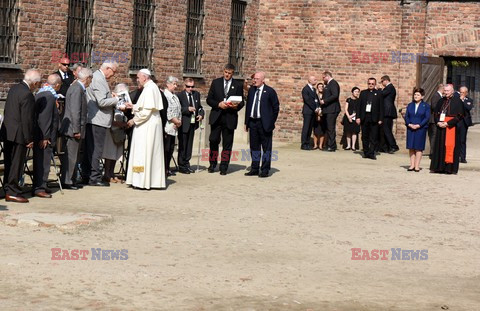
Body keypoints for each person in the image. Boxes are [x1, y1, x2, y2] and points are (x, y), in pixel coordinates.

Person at [83, 61, 130, 186]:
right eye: (114, 71)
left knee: (93, 149)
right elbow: (102, 102)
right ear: (108, 68)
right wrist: (116, 99)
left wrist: (111, 95)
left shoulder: (99, 78)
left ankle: (89, 176)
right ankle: (94, 178)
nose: (113, 75)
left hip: (98, 119)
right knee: (96, 150)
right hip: (98, 120)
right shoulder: (98, 79)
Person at [1, 69, 41, 203]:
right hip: (19, 135)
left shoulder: (14, 89)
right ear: (34, 83)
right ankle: (12, 191)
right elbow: (27, 119)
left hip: (8, 132)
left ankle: (7, 187)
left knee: (9, 162)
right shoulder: (27, 94)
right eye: (38, 83)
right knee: (16, 164)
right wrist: (28, 139)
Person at [126, 69, 166, 189]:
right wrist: (133, 106)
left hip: (147, 126)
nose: (137, 80)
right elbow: (144, 106)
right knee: (144, 153)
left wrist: (134, 120)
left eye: (138, 77)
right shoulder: (150, 87)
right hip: (148, 124)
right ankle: (144, 179)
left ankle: (142, 180)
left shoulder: (149, 89)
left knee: (142, 153)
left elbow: (146, 112)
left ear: (145, 77)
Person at [206, 64, 244, 174]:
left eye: (230, 73)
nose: (227, 75)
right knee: (213, 141)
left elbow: (241, 102)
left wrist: (236, 106)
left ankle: (224, 166)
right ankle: (212, 164)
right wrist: (218, 104)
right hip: (217, 116)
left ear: (233, 73)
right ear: (223, 71)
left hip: (230, 117)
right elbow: (209, 99)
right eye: (226, 72)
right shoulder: (216, 82)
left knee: (227, 144)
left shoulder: (237, 85)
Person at [60, 68, 93, 190]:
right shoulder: (77, 89)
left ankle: (72, 179)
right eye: (91, 79)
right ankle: (67, 181)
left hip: (75, 128)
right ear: (87, 78)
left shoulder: (78, 88)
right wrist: (76, 130)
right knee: (71, 156)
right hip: (73, 129)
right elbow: (75, 111)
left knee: (74, 155)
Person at [244, 72, 280, 178]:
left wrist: (270, 122)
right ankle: (255, 168)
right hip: (253, 122)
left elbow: (275, 108)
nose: (254, 80)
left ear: (263, 80)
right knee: (254, 147)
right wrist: (246, 122)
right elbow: (248, 107)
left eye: (257, 79)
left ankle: (265, 169)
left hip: (264, 123)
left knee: (266, 148)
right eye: (254, 78)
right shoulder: (251, 90)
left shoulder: (269, 91)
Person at [32, 74, 62, 198]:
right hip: (45, 136)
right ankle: (40, 187)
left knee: (42, 161)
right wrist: (45, 136)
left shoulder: (41, 93)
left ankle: (41, 185)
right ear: (57, 85)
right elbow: (45, 118)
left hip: (41, 134)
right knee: (43, 162)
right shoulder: (49, 96)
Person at [430, 84, 465, 174]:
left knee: (450, 147)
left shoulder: (458, 101)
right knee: (439, 147)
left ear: (452, 91)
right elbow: (435, 113)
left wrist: (448, 123)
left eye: (448, 91)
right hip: (440, 127)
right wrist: (438, 122)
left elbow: (460, 115)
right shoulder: (441, 101)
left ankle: (449, 168)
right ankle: (439, 167)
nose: (446, 92)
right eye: (445, 91)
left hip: (451, 127)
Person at [177, 78, 204, 174]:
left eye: (192, 86)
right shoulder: (179, 95)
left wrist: (201, 114)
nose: (190, 88)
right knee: (183, 145)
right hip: (184, 123)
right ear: (185, 86)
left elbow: (200, 107)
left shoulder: (196, 94)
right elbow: (178, 109)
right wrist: (187, 109)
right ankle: (181, 165)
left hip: (193, 124)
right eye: (188, 86)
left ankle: (187, 163)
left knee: (189, 145)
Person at [102, 83, 128, 183]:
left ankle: (112, 173)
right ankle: (107, 174)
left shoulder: (123, 102)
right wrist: (120, 124)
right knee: (109, 154)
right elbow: (109, 118)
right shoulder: (112, 101)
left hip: (119, 131)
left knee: (116, 154)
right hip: (111, 130)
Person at [357, 78, 384, 160]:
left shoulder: (379, 93)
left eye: (372, 83)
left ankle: (372, 153)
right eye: (369, 83)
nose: (371, 85)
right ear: (367, 84)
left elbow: (381, 107)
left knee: (373, 136)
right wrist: (358, 117)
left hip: (374, 118)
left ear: (375, 84)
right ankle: (366, 152)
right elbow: (359, 106)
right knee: (364, 136)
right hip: (364, 117)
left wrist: (381, 118)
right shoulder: (363, 93)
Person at [405, 88, 430, 172]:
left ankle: (417, 166)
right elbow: (407, 116)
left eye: (418, 95)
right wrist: (409, 124)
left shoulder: (426, 106)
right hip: (410, 128)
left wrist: (419, 125)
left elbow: (427, 117)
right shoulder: (410, 105)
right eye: (415, 95)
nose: (416, 96)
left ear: (422, 96)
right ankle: (411, 165)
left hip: (420, 129)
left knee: (418, 147)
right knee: (411, 147)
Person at [163, 76, 182, 177]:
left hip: (174, 126)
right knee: (166, 149)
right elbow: (168, 111)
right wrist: (175, 121)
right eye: (174, 84)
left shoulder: (174, 95)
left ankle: (167, 168)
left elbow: (178, 109)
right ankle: (164, 168)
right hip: (168, 125)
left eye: (176, 84)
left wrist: (179, 121)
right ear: (168, 84)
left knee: (170, 148)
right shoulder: (165, 95)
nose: (175, 86)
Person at [320, 71, 340, 151]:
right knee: (329, 127)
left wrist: (324, 101)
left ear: (327, 76)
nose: (323, 79)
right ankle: (332, 144)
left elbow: (335, 95)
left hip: (332, 109)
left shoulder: (333, 83)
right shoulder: (328, 84)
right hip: (328, 109)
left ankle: (331, 146)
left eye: (323, 77)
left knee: (330, 128)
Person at [380, 75, 399, 153]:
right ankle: (387, 147)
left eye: (382, 81)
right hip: (387, 111)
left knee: (386, 129)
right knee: (386, 129)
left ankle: (393, 146)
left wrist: (378, 89)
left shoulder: (390, 87)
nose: (381, 83)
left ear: (386, 80)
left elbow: (382, 94)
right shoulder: (389, 88)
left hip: (387, 111)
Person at [300, 75, 319, 150]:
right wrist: (315, 108)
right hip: (308, 111)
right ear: (309, 80)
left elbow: (316, 99)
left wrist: (318, 107)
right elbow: (307, 100)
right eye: (314, 79)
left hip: (313, 111)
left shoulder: (313, 90)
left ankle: (307, 143)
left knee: (310, 128)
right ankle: (304, 144)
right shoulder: (305, 89)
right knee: (306, 128)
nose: (316, 80)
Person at [458, 86, 474, 163]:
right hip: (457, 121)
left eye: (463, 93)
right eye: (460, 92)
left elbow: (468, 108)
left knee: (462, 140)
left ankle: (463, 157)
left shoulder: (469, 100)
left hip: (464, 123)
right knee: (456, 139)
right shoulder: (456, 99)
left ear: (466, 93)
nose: (461, 94)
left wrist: (462, 100)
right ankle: (456, 156)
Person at [428, 84, 444, 158]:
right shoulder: (436, 96)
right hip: (433, 120)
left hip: (436, 119)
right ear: (442, 89)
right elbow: (434, 106)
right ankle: (432, 153)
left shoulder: (440, 96)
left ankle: (434, 152)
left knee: (435, 136)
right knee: (433, 137)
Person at [342, 87, 361, 151]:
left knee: (354, 132)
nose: (357, 93)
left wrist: (352, 115)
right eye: (355, 91)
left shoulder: (359, 100)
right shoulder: (349, 100)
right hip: (348, 117)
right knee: (348, 131)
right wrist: (348, 116)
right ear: (352, 92)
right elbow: (346, 109)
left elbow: (359, 110)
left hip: (355, 117)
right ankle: (348, 145)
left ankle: (353, 146)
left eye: (358, 91)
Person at [312, 82, 326, 150]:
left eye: (322, 86)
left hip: (323, 114)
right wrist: (317, 114)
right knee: (315, 130)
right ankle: (315, 144)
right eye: (319, 86)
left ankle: (320, 145)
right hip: (316, 114)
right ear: (317, 88)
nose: (321, 88)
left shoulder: (325, 96)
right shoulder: (315, 95)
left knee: (322, 130)